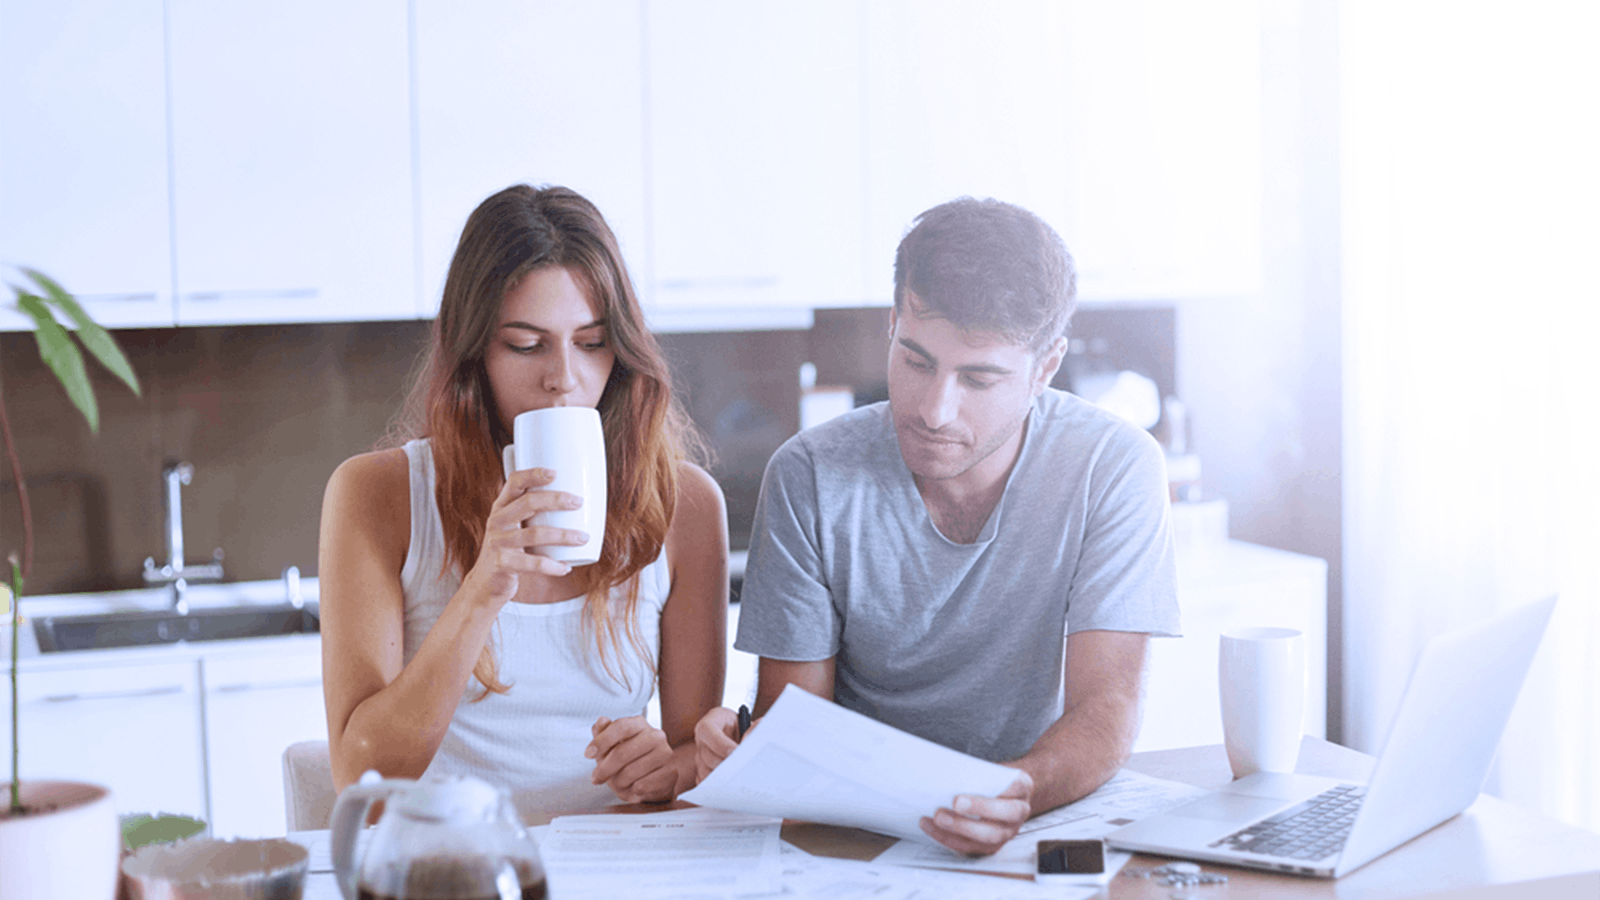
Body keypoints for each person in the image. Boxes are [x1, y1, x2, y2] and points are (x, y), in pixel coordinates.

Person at [694, 197, 1179, 854]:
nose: (933, 409)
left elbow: (1106, 710)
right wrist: (749, 750)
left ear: (1045, 368)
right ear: (894, 323)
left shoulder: (1114, 468)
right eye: (916, 360)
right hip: (850, 833)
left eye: (978, 377)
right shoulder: (809, 475)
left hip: (1029, 820)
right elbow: (795, 726)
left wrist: (1016, 792)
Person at [319, 184, 729, 809]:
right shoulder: (377, 496)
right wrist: (485, 584)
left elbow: (690, 757)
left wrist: (667, 766)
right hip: (452, 866)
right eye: (527, 343)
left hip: (612, 866)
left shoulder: (686, 507)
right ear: (474, 351)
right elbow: (362, 778)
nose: (564, 377)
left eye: (591, 342)